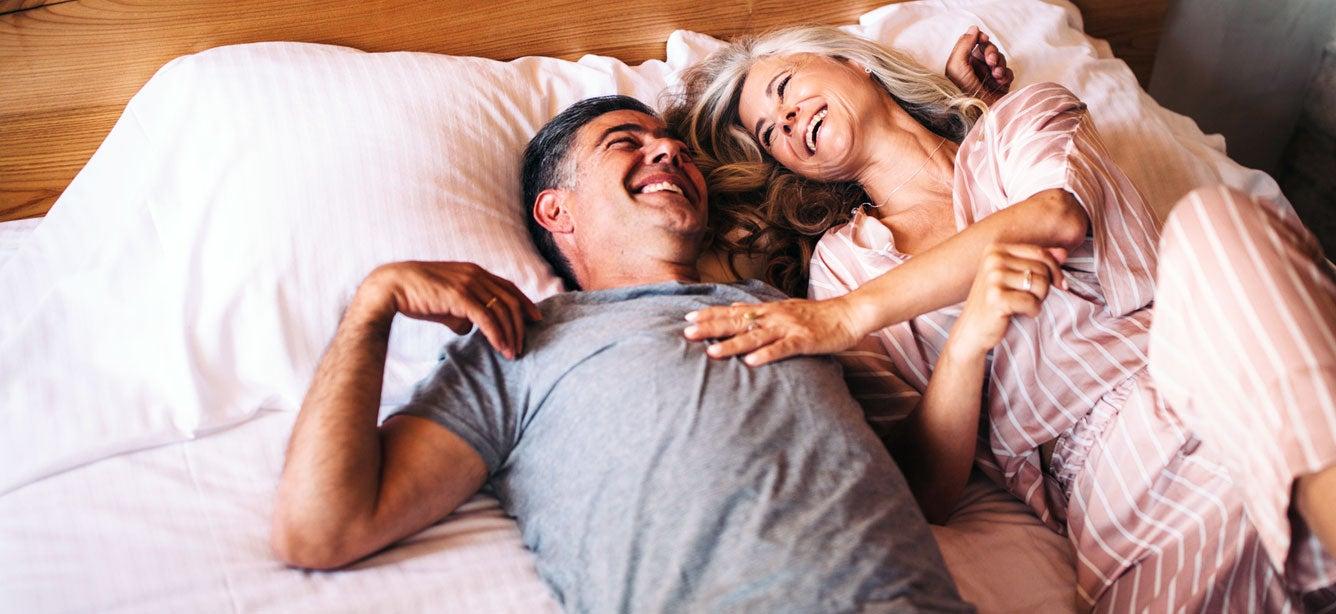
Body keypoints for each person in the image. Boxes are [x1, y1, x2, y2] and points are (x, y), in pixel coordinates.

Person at [670, 25, 1336, 610]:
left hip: (1205, 355)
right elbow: (924, 491)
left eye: (785, 88)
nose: (787, 121)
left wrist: (850, 317)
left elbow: (1055, 216)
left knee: (1217, 223)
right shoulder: (841, 271)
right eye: (770, 133)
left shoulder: (1018, 124)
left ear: (855, 65)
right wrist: (965, 346)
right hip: (1116, 483)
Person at [269, 95, 974, 612]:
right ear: (557, 211)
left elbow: (923, 491)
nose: (669, 153)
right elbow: (321, 529)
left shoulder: (793, 312)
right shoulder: (524, 341)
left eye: (675, 145)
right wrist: (372, 307)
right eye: (624, 142)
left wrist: (970, 341)